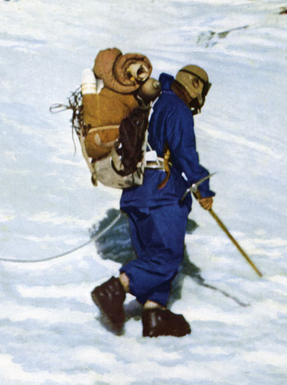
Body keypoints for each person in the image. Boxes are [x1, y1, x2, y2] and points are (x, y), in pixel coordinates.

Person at [91, 65, 215, 338]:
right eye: (202, 91)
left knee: (150, 255)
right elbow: (184, 153)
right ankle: (116, 288)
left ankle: (154, 313)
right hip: (162, 192)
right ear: (195, 85)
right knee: (165, 257)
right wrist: (202, 187)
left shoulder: (154, 103)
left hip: (137, 191)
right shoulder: (178, 108)